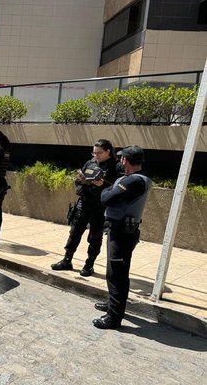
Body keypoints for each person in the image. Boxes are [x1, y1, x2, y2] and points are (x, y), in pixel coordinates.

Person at [93, 145, 151, 329]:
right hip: (121, 231)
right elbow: (115, 194)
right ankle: (112, 304)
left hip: (121, 233)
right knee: (113, 272)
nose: (120, 161)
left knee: (117, 274)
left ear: (125, 160)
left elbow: (107, 199)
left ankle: (114, 317)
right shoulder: (133, 180)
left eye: (121, 158)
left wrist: (104, 191)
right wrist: (109, 188)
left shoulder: (133, 181)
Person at [51, 139, 124, 276]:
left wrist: (102, 185)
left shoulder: (116, 166)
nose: (96, 155)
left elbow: (117, 188)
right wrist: (80, 186)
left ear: (108, 151)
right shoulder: (89, 163)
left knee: (95, 237)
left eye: (99, 153)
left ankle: (89, 264)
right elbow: (78, 179)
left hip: (100, 207)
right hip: (84, 202)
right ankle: (67, 260)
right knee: (74, 233)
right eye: (94, 152)